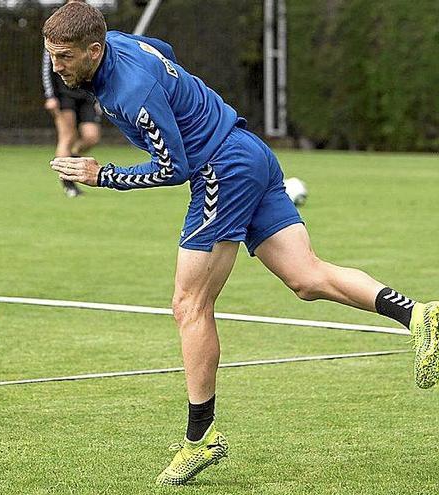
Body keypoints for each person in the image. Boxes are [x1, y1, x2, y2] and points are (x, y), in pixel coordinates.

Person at [43, 2, 438, 486]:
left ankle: (200, 437)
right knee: (307, 277)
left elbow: (174, 168)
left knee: (189, 304)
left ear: (94, 50)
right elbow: (165, 52)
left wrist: (103, 174)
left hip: (219, 172)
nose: (56, 66)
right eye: (51, 55)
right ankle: (419, 314)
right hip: (249, 152)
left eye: (64, 56)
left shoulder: (132, 92)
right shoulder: (124, 47)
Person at [41, 0, 101, 199]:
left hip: (86, 92)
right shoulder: (57, 27)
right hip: (64, 93)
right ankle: (68, 184)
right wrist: (50, 95)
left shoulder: (90, 25)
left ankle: (73, 160)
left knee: (91, 136)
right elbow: (48, 66)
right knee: (66, 136)